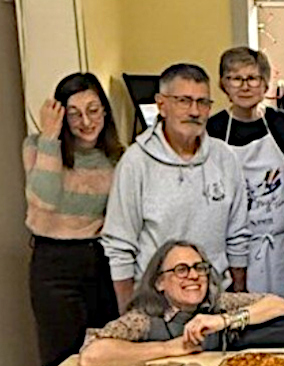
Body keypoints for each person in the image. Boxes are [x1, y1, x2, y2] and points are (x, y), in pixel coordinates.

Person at [102, 63, 251, 308]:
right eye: (184, 101)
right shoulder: (136, 162)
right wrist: (128, 312)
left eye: (203, 102)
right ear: (161, 105)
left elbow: (238, 236)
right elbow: (119, 246)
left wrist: (239, 296)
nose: (194, 111)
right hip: (156, 303)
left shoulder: (225, 158)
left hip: (214, 299)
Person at [23, 72, 124, 366]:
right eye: (74, 113)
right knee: (61, 358)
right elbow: (44, 199)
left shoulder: (117, 157)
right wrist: (50, 137)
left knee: (107, 353)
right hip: (55, 262)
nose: (86, 121)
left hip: (101, 260)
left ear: (105, 111)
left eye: (93, 110)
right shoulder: (37, 146)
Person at [78, 240, 284, 366]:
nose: (193, 276)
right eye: (181, 270)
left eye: (199, 268)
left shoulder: (217, 303)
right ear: (160, 282)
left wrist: (224, 320)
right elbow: (91, 355)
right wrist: (168, 348)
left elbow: (281, 305)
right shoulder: (144, 318)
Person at [207, 47, 284, 297]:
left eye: (252, 78)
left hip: (281, 245)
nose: (244, 86)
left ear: (265, 84)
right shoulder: (212, 130)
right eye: (235, 78)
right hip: (230, 248)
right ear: (223, 84)